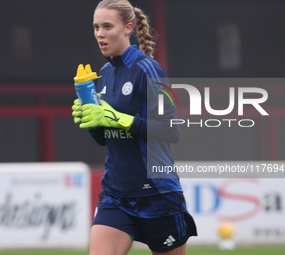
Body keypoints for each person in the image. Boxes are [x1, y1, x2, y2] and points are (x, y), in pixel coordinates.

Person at [72, 0, 197, 254]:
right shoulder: (104, 73)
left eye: (108, 26)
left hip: (157, 193)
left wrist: (118, 118)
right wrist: (92, 118)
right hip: (116, 193)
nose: (100, 34)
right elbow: (104, 138)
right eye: (96, 27)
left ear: (128, 28)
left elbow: (171, 130)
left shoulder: (149, 69)